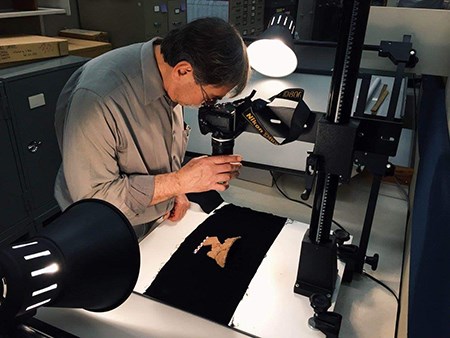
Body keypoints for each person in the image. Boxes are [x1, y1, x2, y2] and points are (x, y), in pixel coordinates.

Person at [54, 17, 250, 238]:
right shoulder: (98, 98)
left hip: (153, 222)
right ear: (183, 71)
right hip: (105, 232)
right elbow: (95, 202)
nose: (207, 106)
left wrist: (175, 191)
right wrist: (179, 182)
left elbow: (158, 152)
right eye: (208, 99)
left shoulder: (170, 73)